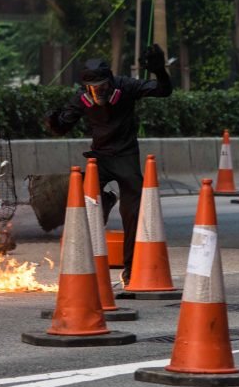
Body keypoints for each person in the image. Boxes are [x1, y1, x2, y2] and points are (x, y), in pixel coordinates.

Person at [45, 45, 172, 286]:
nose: (98, 92)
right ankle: (83, 264)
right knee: (82, 203)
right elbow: (62, 126)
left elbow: (164, 91)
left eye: (102, 86)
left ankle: (131, 269)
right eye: (92, 88)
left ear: (110, 82)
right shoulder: (82, 98)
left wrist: (159, 70)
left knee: (133, 213)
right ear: (85, 87)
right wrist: (52, 121)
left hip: (125, 156)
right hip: (99, 159)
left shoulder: (126, 86)